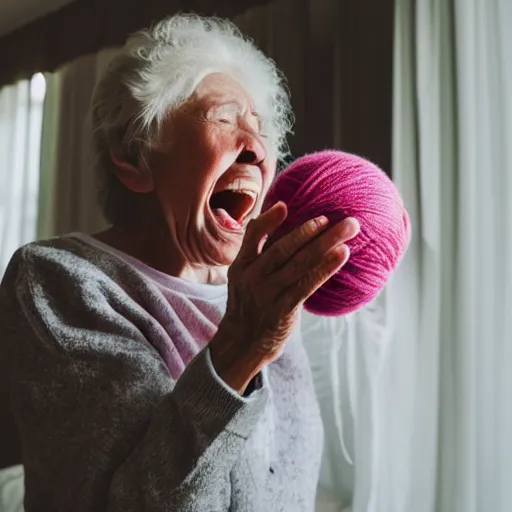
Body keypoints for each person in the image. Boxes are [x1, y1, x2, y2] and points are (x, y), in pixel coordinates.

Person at [0, 13, 359, 511]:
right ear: (135, 155)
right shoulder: (57, 281)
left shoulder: (266, 296)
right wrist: (239, 349)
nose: (256, 149)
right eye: (225, 118)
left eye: (260, 129)